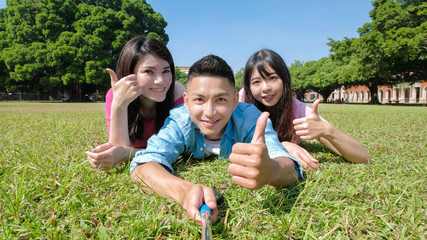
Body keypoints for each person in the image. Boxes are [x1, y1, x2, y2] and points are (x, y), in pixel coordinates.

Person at [130, 55, 303, 225]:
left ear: (235, 101)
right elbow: (143, 166)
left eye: (220, 99)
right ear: (186, 101)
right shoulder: (180, 121)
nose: (210, 112)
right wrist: (185, 191)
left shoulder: (251, 119)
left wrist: (272, 170)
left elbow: (289, 165)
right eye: (199, 100)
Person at [240, 49, 370, 170]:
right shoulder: (242, 101)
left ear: (284, 80)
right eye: (256, 82)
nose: (265, 88)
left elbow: (363, 158)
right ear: (248, 86)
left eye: (273, 78)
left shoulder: (298, 110)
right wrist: (283, 146)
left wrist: (327, 130)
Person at [86, 36, 186, 170]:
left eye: (166, 71)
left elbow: (181, 151)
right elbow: (119, 159)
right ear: (129, 73)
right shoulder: (115, 94)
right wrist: (120, 104)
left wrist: (127, 153)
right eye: (149, 71)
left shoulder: (177, 93)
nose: (160, 81)